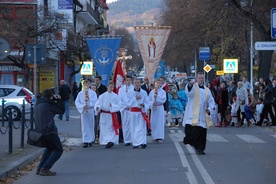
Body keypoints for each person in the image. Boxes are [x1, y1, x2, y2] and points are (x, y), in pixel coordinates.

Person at [182, 72, 216, 155]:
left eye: (202, 78)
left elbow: (212, 102)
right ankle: (190, 141)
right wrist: (190, 84)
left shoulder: (207, 90)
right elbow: (189, 93)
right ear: (196, 79)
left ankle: (200, 148)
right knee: (190, 132)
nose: (201, 79)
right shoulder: (194, 87)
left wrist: (209, 109)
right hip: (192, 113)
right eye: (199, 78)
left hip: (202, 114)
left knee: (201, 133)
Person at [34, 89, 65, 176]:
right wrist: (58, 100)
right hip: (50, 131)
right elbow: (61, 110)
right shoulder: (48, 104)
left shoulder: (38, 104)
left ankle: (40, 167)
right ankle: (45, 168)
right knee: (59, 150)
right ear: (51, 96)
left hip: (40, 131)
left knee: (49, 148)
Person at [94, 81, 121, 148]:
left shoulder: (116, 96)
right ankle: (106, 141)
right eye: (110, 87)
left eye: (112, 87)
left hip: (112, 114)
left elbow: (119, 105)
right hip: (104, 114)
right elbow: (98, 104)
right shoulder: (102, 96)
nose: (111, 88)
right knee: (104, 128)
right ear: (107, 87)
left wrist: (113, 106)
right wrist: (97, 108)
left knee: (111, 128)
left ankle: (111, 141)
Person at [126, 78, 150, 149]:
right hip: (133, 112)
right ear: (133, 84)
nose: (137, 84)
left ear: (140, 83)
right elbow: (127, 103)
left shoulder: (144, 93)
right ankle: (136, 143)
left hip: (140, 112)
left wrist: (144, 105)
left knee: (141, 128)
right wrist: (134, 99)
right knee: (134, 128)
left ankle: (143, 142)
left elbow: (147, 102)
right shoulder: (130, 93)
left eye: (138, 83)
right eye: (135, 83)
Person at [75, 80, 98, 148]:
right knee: (85, 126)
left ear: (89, 84)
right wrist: (82, 106)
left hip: (90, 110)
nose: (86, 85)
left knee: (91, 125)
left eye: (88, 83)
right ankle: (85, 140)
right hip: (84, 111)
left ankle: (90, 139)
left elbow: (95, 101)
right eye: (85, 83)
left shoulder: (93, 93)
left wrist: (89, 104)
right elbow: (77, 102)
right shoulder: (80, 93)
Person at [148, 79, 166, 144]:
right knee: (154, 122)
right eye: (156, 83)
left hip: (160, 108)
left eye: (159, 83)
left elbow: (163, 99)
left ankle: (159, 137)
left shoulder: (163, 92)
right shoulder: (151, 92)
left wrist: (157, 96)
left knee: (160, 123)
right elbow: (148, 100)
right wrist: (152, 104)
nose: (158, 84)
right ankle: (154, 136)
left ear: (160, 84)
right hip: (154, 108)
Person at [118, 76, 134, 146]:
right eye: (127, 80)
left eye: (129, 80)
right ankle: (127, 140)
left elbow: (135, 99)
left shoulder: (134, 89)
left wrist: (130, 106)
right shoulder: (121, 90)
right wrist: (124, 107)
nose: (128, 81)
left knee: (133, 124)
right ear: (125, 81)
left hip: (132, 109)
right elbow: (119, 100)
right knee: (125, 125)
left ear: (131, 81)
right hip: (124, 110)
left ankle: (133, 139)